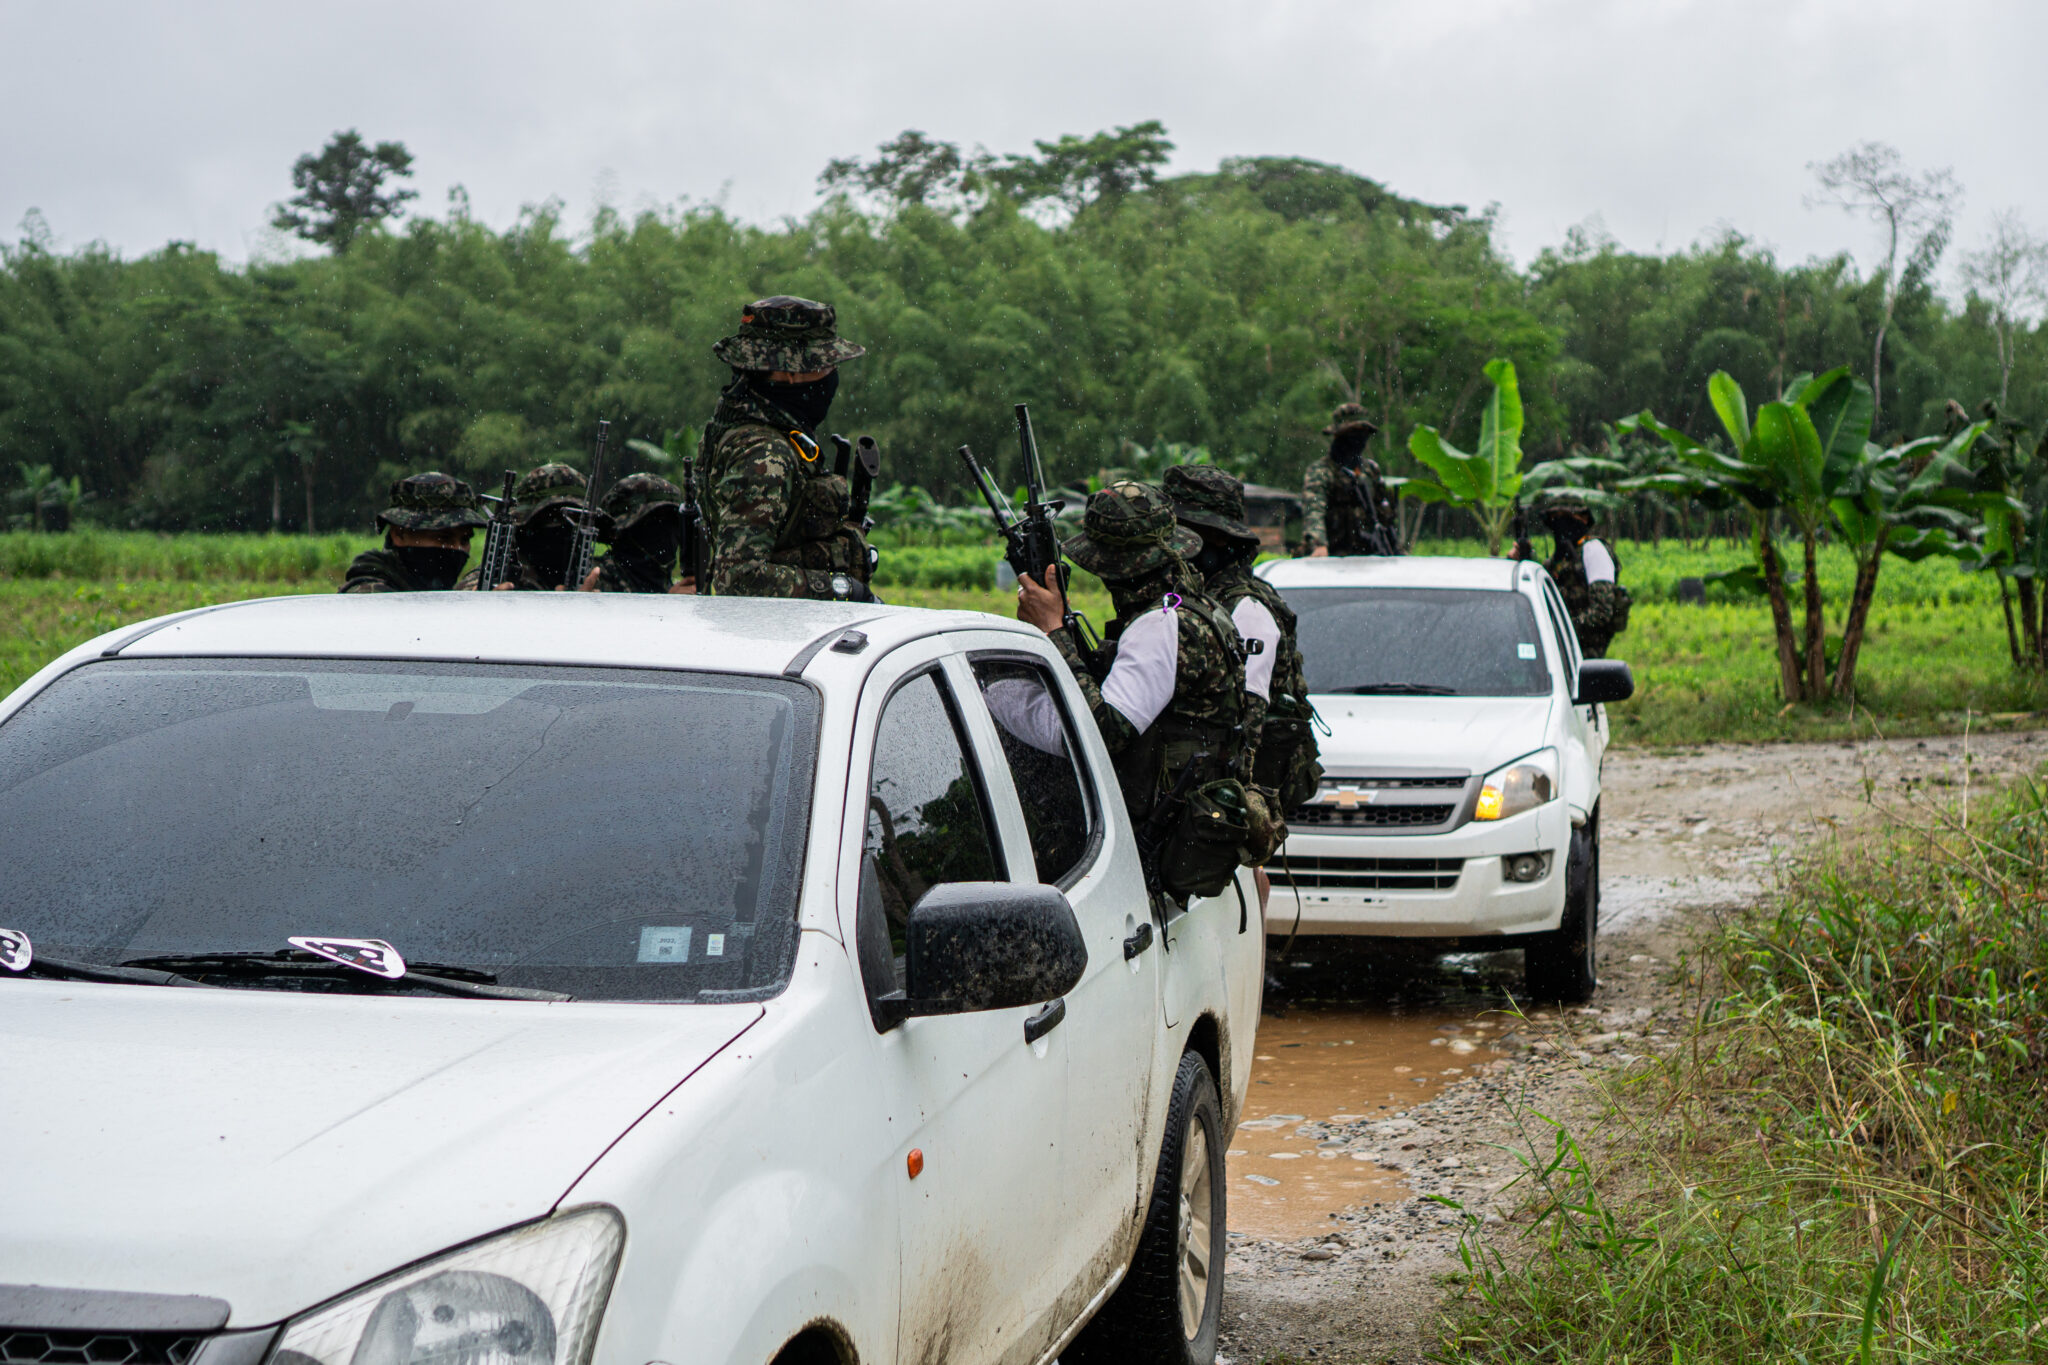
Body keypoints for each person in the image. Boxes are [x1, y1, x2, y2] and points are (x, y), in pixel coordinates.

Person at [1014, 481, 1271, 902]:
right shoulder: (1194, 607)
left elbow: (1103, 732)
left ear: (1117, 566)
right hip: (1185, 829)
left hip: (1153, 846)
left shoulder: (1161, 624)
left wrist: (1054, 631)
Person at [1164, 464, 1323, 822]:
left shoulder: (1246, 608)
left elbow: (1245, 729)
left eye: (1188, 532)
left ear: (1219, 539)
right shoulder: (1201, 595)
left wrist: (1237, 819)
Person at [701, 296, 874, 601]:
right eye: (824, 364)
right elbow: (739, 579)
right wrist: (838, 587)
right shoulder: (764, 453)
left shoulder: (749, 424)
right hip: (773, 637)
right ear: (790, 371)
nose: (831, 375)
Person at [1512, 492, 1630, 656]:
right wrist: (1518, 560)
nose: (1560, 524)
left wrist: (1561, 630)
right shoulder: (1557, 561)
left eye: (1565, 517)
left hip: (1586, 655)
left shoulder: (1593, 550)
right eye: (1555, 518)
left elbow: (1601, 612)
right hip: (1559, 653)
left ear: (1583, 519)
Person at [340, 472, 489, 593]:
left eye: (464, 540)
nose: (457, 548)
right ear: (399, 534)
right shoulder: (366, 594)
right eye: (444, 538)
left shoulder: (428, 589)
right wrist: (467, 600)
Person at [459, 463, 598, 591]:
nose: (562, 528)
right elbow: (464, 599)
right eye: (551, 518)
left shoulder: (597, 578)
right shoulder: (496, 575)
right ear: (525, 526)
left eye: (573, 519)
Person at [1300, 402, 1401, 557]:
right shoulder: (1320, 471)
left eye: (1363, 434)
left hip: (1369, 557)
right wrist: (1319, 544)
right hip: (1331, 558)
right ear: (1338, 436)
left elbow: (1382, 515)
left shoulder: (1370, 470)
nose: (1358, 440)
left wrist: (1395, 549)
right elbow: (1314, 510)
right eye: (1352, 434)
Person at [588, 473, 688, 593]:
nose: (666, 532)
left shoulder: (670, 584)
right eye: (653, 522)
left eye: (673, 522)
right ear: (620, 532)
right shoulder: (594, 579)